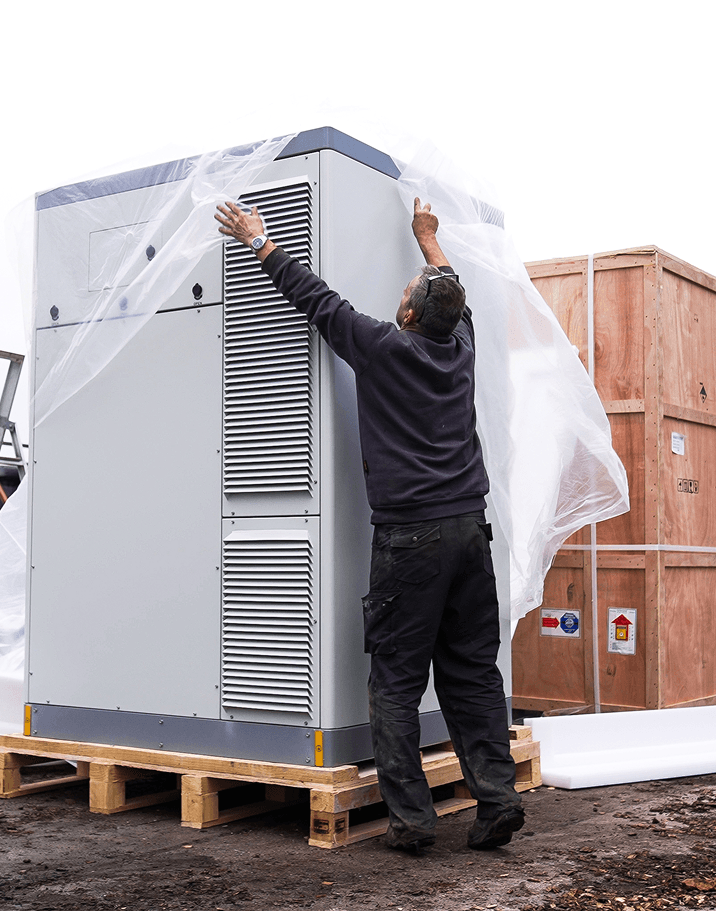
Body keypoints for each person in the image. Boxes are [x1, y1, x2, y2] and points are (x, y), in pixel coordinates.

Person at [215, 197, 524, 855]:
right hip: (470, 533)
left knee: (396, 682)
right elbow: (452, 291)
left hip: (411, 542)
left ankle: (412, 821)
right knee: (473, 674)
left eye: (407, 290)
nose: (403, 292)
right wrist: (427, 237)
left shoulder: (384, 348)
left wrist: (260, 242)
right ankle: (498, 800)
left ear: (407, 314)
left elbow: (316, 300)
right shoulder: (460, 348)